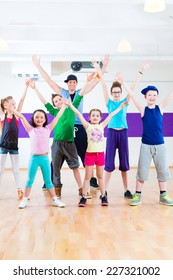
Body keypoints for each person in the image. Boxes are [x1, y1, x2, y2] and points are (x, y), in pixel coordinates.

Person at [32, 54, 110, 191]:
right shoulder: (61, 93)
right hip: (64, 128)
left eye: (74, 82)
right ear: (67, 84)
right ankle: (50, 180)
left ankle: (91, 179)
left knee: (85, 153)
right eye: (69, 82)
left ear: (76, 84)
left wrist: (103, 67)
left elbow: (95, 82)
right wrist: (38, 65)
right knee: (58, 156)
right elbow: (49, 81)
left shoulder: (81, 92)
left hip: (79, 127)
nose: (72, 84)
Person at [66, 70, 128, 207]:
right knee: (88, 177)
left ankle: (103, 195)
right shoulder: (87, 126)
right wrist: (70, 105)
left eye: (97, 115)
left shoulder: (102, 125)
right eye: (92, 115)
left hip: (100, 155)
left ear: (100, 118)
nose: (94, 117)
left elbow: (111, 115)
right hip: (89, 155)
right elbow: (77, 112)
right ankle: (83, 196)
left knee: (100, 177)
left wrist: (121, 107)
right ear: (89, 118)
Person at [28, 75, 96, 199]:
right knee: (56, 168)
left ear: (64, 99)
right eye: (56, 101)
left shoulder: (71, 109)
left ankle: (81, 189)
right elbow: (44, 101)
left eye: (60, 99)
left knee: (75, 167)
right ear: (55, 105)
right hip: (57, 144)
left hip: (70, 143)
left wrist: (86, 81)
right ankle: (57, 190)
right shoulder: (54, 112)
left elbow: (80, 95)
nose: (58, 101)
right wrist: (34, 88)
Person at [92, 61, 149, 199]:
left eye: (118, 92)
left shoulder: (125, 101)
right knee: (109, 164)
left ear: (121, 92)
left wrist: (140, 72)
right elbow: (104, 85)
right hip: (111, 133)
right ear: (111, 93)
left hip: (123, 133)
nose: (116, 94)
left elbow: (133, 87)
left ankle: (126, 190)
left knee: (124, 164)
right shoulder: (109, 102)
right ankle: (103, 192)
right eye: (114, 92)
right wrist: (99, 70)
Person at [8, 82, 66, 209]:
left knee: (48, 181)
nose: (39, 119)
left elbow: (58, 117)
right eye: (37, 117)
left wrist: (64, 107)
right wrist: (12, 110)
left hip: (45, 158)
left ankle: (55, 199)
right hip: (34, 158)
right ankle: (24, 199)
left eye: (41, 117)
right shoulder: (30, 129)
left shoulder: (48, 128)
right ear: (33, 119)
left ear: (45, 119)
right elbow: (22, 117)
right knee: (29, 180)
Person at [122, 82, 173, 206]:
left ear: (157, 97)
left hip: (160, 145)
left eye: (154, 95)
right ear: (145, 97)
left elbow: (170, 96)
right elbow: (132, 95)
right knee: (142, 171)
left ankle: (163, 195)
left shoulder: (160, 108)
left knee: (162, 171)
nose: (152, 97)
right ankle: (137, 195)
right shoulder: (143, 110)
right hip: (146, 145)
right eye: (149, 95)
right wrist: (123, 82)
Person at [0, 80, 29, 200]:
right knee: (0, 169)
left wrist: (26, 87)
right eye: (12, 104)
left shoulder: (17, 115)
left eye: (14, 104)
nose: (14, 105)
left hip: (13, 147)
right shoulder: (2, 115)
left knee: (16, 170)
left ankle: (19, 191)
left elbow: (22, 100)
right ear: (6, 105)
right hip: (3, 146)